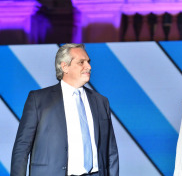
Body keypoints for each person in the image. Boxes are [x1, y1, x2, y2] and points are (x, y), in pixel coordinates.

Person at [11, 43, 119, 176]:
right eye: (81, 62)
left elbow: (111, 151)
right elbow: (22, 147)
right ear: (65, 67)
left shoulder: (101, 101)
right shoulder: (38, 99)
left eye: (88, 62)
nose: (89, 67)